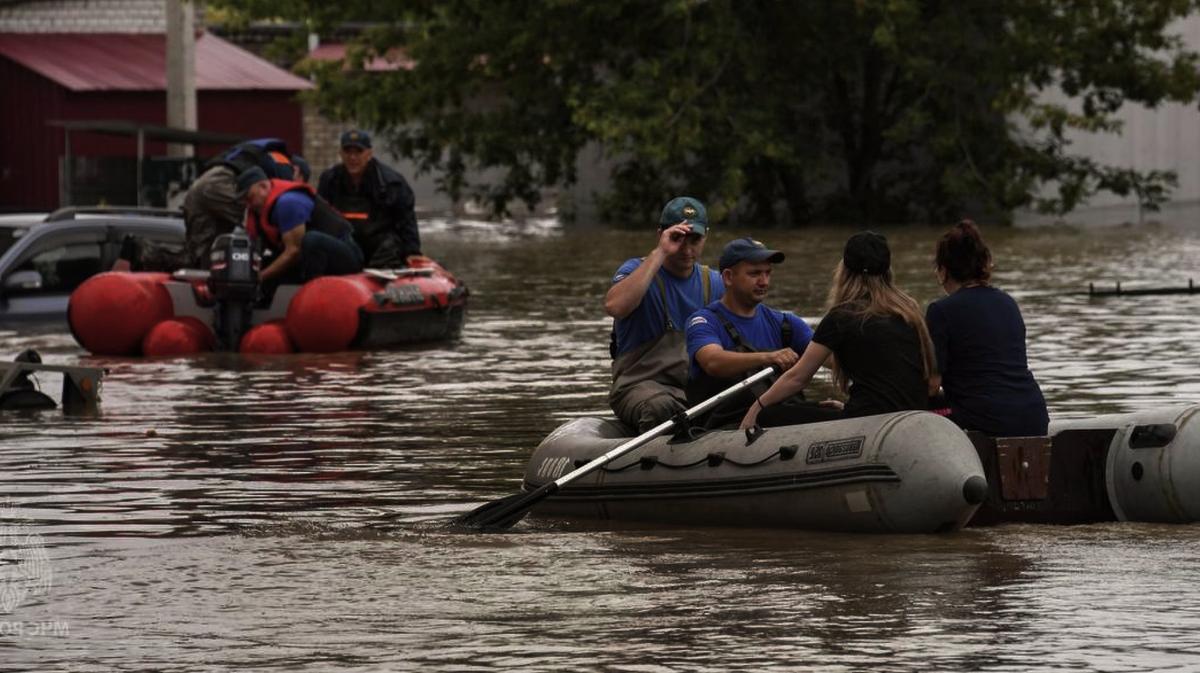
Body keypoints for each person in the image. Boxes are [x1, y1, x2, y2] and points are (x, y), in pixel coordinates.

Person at [739, 231, 935, 430]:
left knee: (769, 415)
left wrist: (756, 408)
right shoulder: (910, 311)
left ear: (844, 271)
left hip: (868, 420)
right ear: (887, 270)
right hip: (912, 415)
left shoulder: (842, 316)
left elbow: (797, 378)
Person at [686, 237, 837, 429]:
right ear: (728, 277)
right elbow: (713, 362)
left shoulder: (786, 324)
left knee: (829, 412)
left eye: (767, 273)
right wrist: (769, 357)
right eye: (755, 273)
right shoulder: (704, 321)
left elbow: (833, 361)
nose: (764, 281)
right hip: (724, 427)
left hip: (779, 418)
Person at [606, 196, 724, 432]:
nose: (687, 249)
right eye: (678, 238)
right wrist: (660, 252)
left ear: (706, 236)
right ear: (661, 234)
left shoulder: (715, 283)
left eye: (695, 239)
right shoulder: (636, 270)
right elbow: (615, 306)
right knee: (662, 408)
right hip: (639, 387)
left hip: (694, 392)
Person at [926, 220, 1049, 436]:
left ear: (943, 271)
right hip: (1034, 413)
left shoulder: (940, 311)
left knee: (914, 411)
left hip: (985, 420)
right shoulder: (1008, 302)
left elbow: (931, 385)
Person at [120, 138, 300, 271]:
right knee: (256, 222)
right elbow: (275, 204)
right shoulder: (284, 164)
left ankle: (140, 251)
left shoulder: (267, 154)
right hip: (222, 186)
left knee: (204, 259)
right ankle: (139, 250)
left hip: (208, 185)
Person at [236, 166, 364, 287]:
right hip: (310, 259)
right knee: (268, 262)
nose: (249, 205)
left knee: (311, 240)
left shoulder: (288, 203)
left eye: (250, 198)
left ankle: (313, 293)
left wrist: (260, 277)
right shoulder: (257, 211)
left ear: (263, 187)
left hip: (347, 254)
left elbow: (293, 251)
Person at [317, 129, 424, 269]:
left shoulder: (392, 183)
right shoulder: (329, 180)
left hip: (381, 248)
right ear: (341, 154)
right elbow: (320, 216)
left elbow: (406, 220)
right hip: (347, 245)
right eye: (348, 152)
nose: (352, 158)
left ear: (369, 154)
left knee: (391, 243)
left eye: (358, 152)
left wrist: (412, 252)